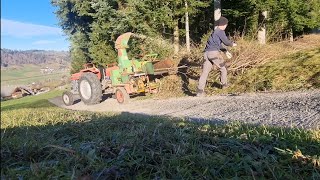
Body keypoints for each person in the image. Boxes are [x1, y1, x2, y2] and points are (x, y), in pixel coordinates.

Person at [197, 16, 237, 97]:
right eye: (226, 24)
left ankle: (200, 91)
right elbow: (226, 42)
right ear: (224, 24)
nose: (226, 26)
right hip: (214, 54)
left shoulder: (214, 32)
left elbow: (219, 44)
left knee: (205, 73)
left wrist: (225, 51)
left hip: (206, 54)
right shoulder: (221, 32)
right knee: (223, 68)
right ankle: (225, 86)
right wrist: (232, 44)